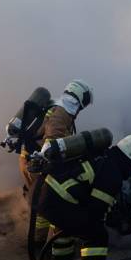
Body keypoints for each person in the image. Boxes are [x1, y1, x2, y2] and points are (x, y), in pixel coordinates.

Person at [32, 134, 131, 260]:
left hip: (45, 194)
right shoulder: (113, 173)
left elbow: (102, 198)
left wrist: (126, 211)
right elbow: (97, 211)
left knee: (69, 223)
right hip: (57, 202)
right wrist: (123, 221)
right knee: (97, 235)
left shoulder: (103, 156)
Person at [19, 79, 94, 244]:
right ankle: (43, 243)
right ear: (79, 98)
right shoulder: (62, 112)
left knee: (42, 204)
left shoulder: (58, 107)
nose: (82, 108)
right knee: (47, 204)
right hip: (37, 163)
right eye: (84, 102)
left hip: (30, 159)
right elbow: (53, 139)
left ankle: (39, 241)